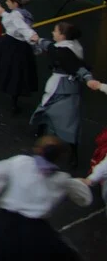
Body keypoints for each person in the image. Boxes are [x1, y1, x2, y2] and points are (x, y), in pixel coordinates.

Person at [30, 22, 101, 165]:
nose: (53, 33)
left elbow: (77, 67)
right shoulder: (73, 47)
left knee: (67, 121)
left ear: (62, 35)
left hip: (62, 89)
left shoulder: (64, 52)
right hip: (64, 87)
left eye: (55, 31)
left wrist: (88, 79)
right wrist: (38, 40)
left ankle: (70, 152)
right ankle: (42, 134)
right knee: (51, 113)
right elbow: (50, 46)